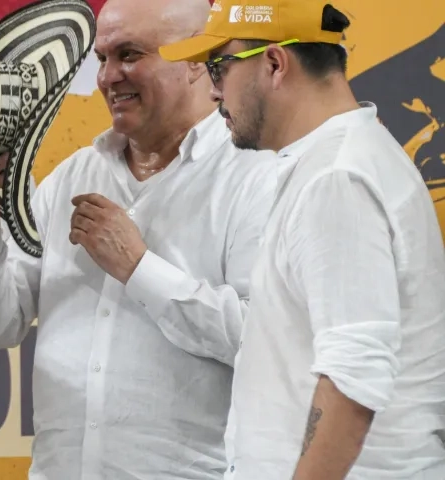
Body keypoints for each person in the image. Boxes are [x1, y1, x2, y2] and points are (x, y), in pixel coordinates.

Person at [0, 0, 281, 477]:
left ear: (196, 61)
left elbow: (266, 342)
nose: (107, 77)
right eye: (101, 59)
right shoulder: (71, 177)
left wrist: (139, 269)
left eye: (130, 54)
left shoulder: (256, 177)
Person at [158, 1, 445, 479]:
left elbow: (354, 374)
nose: (212, 92)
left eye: (220, 68)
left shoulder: (336, 178)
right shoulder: (339, 161)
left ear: (274, 64)